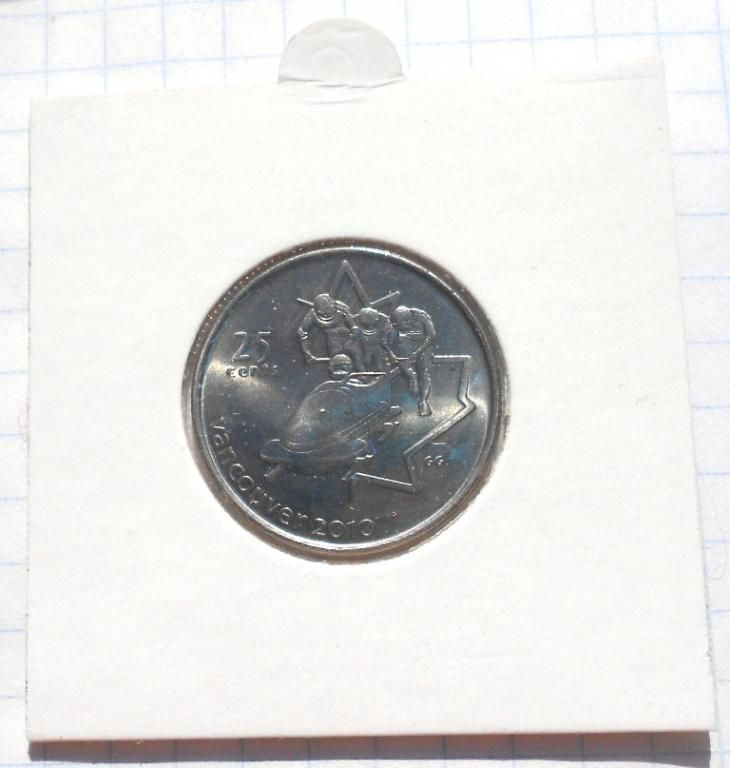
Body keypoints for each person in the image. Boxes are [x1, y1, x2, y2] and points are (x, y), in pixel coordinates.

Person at [388, 305, 436, 416]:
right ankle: (412, 377)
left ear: (408, 319)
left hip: (423, 348)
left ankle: (423, 402)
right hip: (405, 348)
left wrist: (418, 351)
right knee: (400, 359)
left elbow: (431, 336)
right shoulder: (395, 323)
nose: (402, 326)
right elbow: (391, 341)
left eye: (402, 324)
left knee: (424, 373)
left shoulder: (422, 317)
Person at [297, 293, 363, 369]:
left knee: (358, 361)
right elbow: (301, 332)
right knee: (337, 364)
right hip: (333, 341)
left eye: (331, 308)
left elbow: (354, 327)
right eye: (325, 310)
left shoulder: (342, 311)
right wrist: (307, 353)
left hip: (349, 339)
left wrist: (352, 339)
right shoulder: (313, 315)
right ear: (319, 311)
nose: (328, 312)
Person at [355, 306, 391, 372]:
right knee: (367, 362)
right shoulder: (359, 331)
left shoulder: (380, 330)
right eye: (375, 318)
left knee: (379, 366)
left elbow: (383, 342)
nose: (377, 319)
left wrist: (390, 353)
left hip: (378, 353)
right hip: (366, 353)